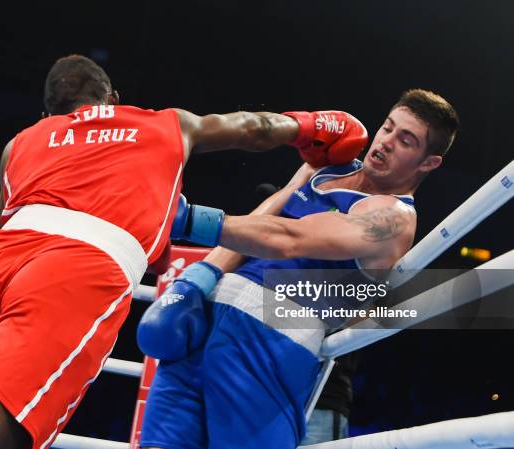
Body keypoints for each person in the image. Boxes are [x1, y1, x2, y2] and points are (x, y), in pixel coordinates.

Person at [0, 54, 366, 449]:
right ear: (114, 99)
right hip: (67, 275)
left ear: (50, 112)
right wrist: (311, 125)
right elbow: (255, 128)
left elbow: (2, 221)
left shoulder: (20, 143)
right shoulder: (162, 122)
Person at [138, 89, 460, 449]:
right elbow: (270, 211)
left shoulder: (393, 219)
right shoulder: (329, 167)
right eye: (387, 128)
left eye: (405, 140)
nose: (385, 143)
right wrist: (198, 279)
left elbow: (289, 238)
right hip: (208, 311)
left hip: (269, 335)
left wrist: (189, 218)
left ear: (428, 163)